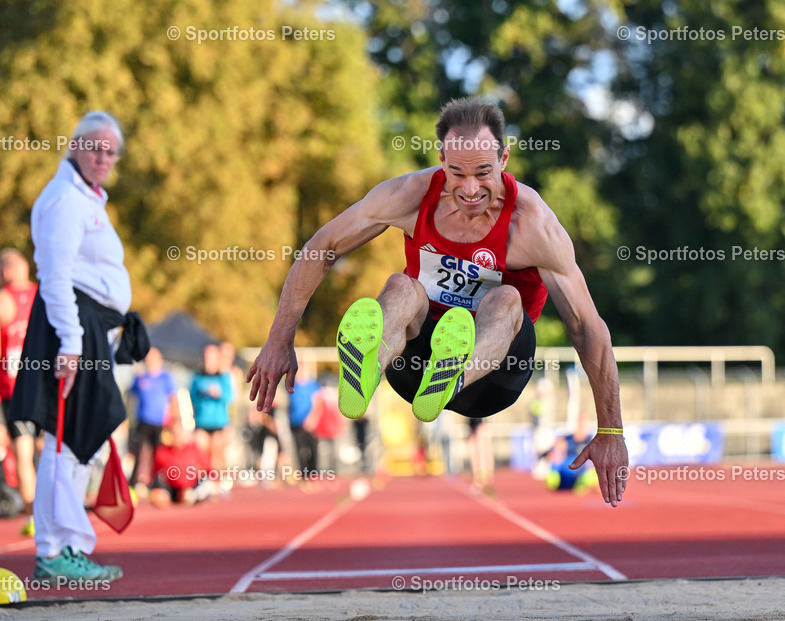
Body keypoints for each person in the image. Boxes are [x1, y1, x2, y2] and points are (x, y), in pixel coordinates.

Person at [247, 97, 628, 507]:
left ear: (504, 158)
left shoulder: (532, 224)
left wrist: (611, 430)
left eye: (483, 173)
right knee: (401, 287)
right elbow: (322, 245)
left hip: (495, 375)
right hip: (414, 365)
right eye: (456, 173)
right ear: (441, 158)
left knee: (505, 297)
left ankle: (455, 372)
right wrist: (279, 339)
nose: (469, 189)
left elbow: (587, 327)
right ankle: (369, 365)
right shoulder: (410, 195)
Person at [10, 110, 147, 581]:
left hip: (87, 326)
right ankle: (55, 550)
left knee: (79, 441)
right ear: (74, 147)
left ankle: (65, 547)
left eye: (111, 151)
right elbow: (55, 273)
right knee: (64, 439)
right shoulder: (65, 199)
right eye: (95, 147)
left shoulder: (85, 198)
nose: (103, 157)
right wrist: (70, 341)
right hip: (70, 325)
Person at [0, 248, 38, 532]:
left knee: (23, 454)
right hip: (47, 387)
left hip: (15, 390)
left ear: (4, 271)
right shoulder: (45, 296)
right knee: (50, 451)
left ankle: (33, 515)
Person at [126, 346, 178, 493]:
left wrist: (174, 420)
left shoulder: (166, 378)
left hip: (160, 422)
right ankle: (133, 483)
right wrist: (125, 418)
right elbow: (130, 397)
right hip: (142, 421)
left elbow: (173, 399)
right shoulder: (140, 378)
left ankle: (156, 482)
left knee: (158, 454)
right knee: (138, 452)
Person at [189, 343, 234, 488]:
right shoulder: (197, 376)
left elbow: (229, 396)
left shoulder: (223, 376)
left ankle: (220, 481)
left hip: (219, 422)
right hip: (202, 421)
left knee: (217, 452)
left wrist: (218, 394)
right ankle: (205, 482)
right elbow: (192, 396)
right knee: (201, 452)